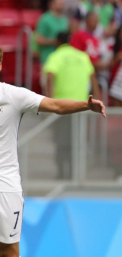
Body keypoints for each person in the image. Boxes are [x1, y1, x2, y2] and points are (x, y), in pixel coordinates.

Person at [0, 38, 105, 257]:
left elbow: (54, 105)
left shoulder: (14, 95)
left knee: (9, 254)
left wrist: (85, 105)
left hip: (6, 186)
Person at [44, 32, 100, 179]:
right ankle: (75, 173)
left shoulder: (55, 56)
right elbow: (93, 79)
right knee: (76, 142)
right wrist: (97, 101)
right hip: (81, 107)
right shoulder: (82, 56)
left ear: (57, 42)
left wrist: (49, 102)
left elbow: (50, 77)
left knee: (61, 141)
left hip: (62, 106)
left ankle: (62, 173)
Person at [36, 0, 69, 65]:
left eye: (62, 4)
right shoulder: (45, 19)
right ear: (51, 4)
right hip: (48, 58)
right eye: (59, 4)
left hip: (62, 59)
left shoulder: (64, 19)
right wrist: (55, 41)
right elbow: (38, 40)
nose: (62, 6)